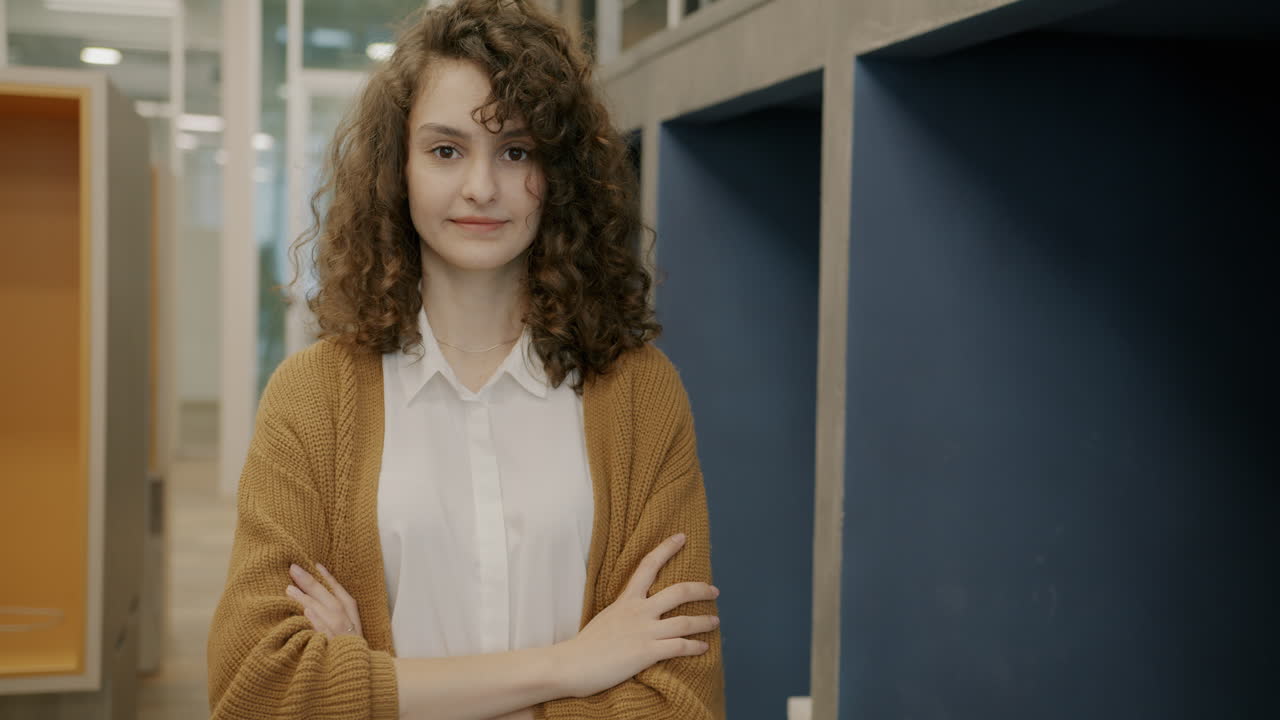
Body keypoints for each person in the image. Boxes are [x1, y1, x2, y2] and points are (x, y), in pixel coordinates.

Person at [206, 1, 724, 718]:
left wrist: (376, 689)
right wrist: (572, 667)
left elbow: (679, 702)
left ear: (561, 172)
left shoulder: (639, 395)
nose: (481, 187)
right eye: (446, 151)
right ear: (399, 169)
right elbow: (254, 689)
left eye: (516, 151)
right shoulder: (314, 396)